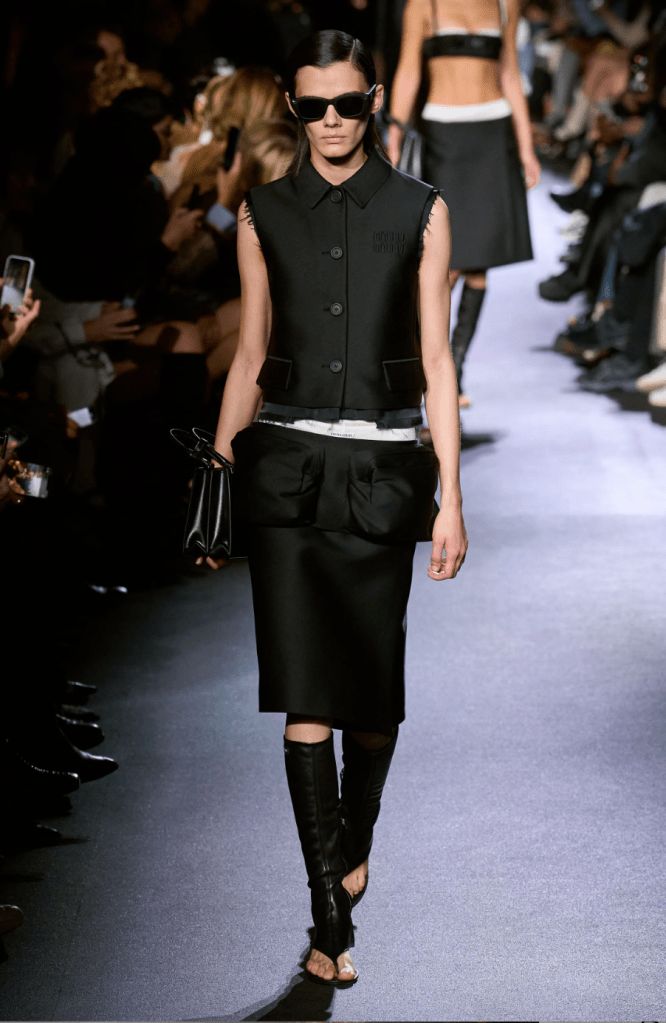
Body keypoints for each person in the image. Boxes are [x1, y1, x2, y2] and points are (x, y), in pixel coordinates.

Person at [199, 30, 468, 984]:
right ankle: (329, 921)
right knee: (306, 697)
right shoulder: (262, 213)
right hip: (287, 476)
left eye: (346, 104)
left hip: (386, 475)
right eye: (311, 107)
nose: (329, 122)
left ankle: (357, 834)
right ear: (293, 108)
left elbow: (436, 361)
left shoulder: (422, 210)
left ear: (374, 100)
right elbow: (249, 352)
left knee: (373, 703)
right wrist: (218, 472)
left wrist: (451, 498)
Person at [388, 0, 540, 406]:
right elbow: (408, 71)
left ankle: (452, 374)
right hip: (444, 138)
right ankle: (423, 367)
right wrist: (395, 135)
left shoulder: (505, 4)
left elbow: (510, 73)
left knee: (477, 268)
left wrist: (526, 148)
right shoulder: (424, 5)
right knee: (445, 266)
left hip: (493, 136)